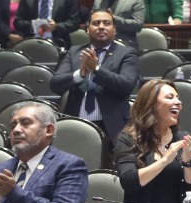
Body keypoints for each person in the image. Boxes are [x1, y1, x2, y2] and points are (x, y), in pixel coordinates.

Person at [113, 81, 191, 203]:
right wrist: (165, 160)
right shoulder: (128, 139)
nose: (178, 102)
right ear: (151, 104)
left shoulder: (182, 137)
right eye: (170, 97)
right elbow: (128, 181)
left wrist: (188, 161)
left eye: (178, 98)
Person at [49, 8, 141, 143]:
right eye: (96, 23)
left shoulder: (127, 53)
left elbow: (126, 85)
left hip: (112, 127)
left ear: (114, 29)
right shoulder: (75, 52)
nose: (101, 27)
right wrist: (79, 74)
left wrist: (96, 69)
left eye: (106, 23)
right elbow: (55, 84)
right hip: (76, 123)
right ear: (87, 29)